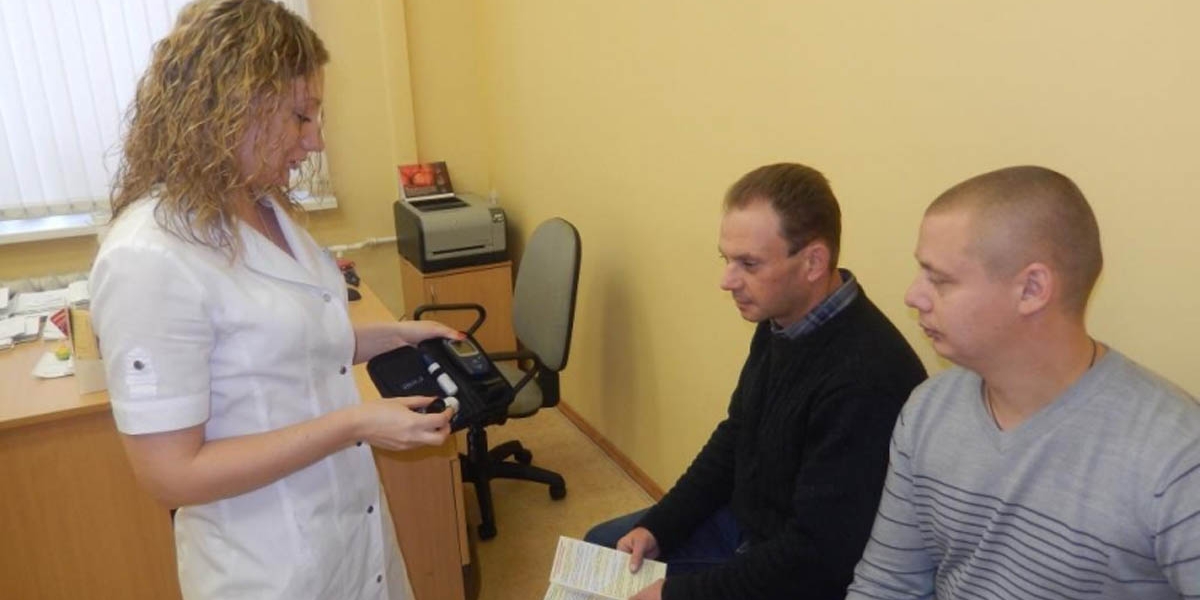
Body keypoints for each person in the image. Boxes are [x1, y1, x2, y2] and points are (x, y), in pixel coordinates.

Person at [89, 1, 458, 598]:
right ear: (229, 105)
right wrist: (354, 423)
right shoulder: (149, 255)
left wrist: (391, 336)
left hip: (351, 531)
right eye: (300, 116)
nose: (315, 141)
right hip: (268, 566)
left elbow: (282, 345)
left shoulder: (260, 206)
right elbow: (171, 474)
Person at [846, 166, 1200, 599]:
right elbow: (887, 583)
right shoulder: (928, 409)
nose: (913, 296)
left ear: (1031, 289)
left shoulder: (1176, 454)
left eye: (939, 280)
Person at [585, 163, 928, 600]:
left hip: (799, 569)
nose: (727, 281)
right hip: (749, 526)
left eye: (748, 264)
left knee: (615, 587)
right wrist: (659, 526)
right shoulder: (782, 319)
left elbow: (816, 559)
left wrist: (675, 594)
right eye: (726, 259)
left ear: (813, 262)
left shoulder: (866, 377)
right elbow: (737, 436)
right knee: (601, 550)